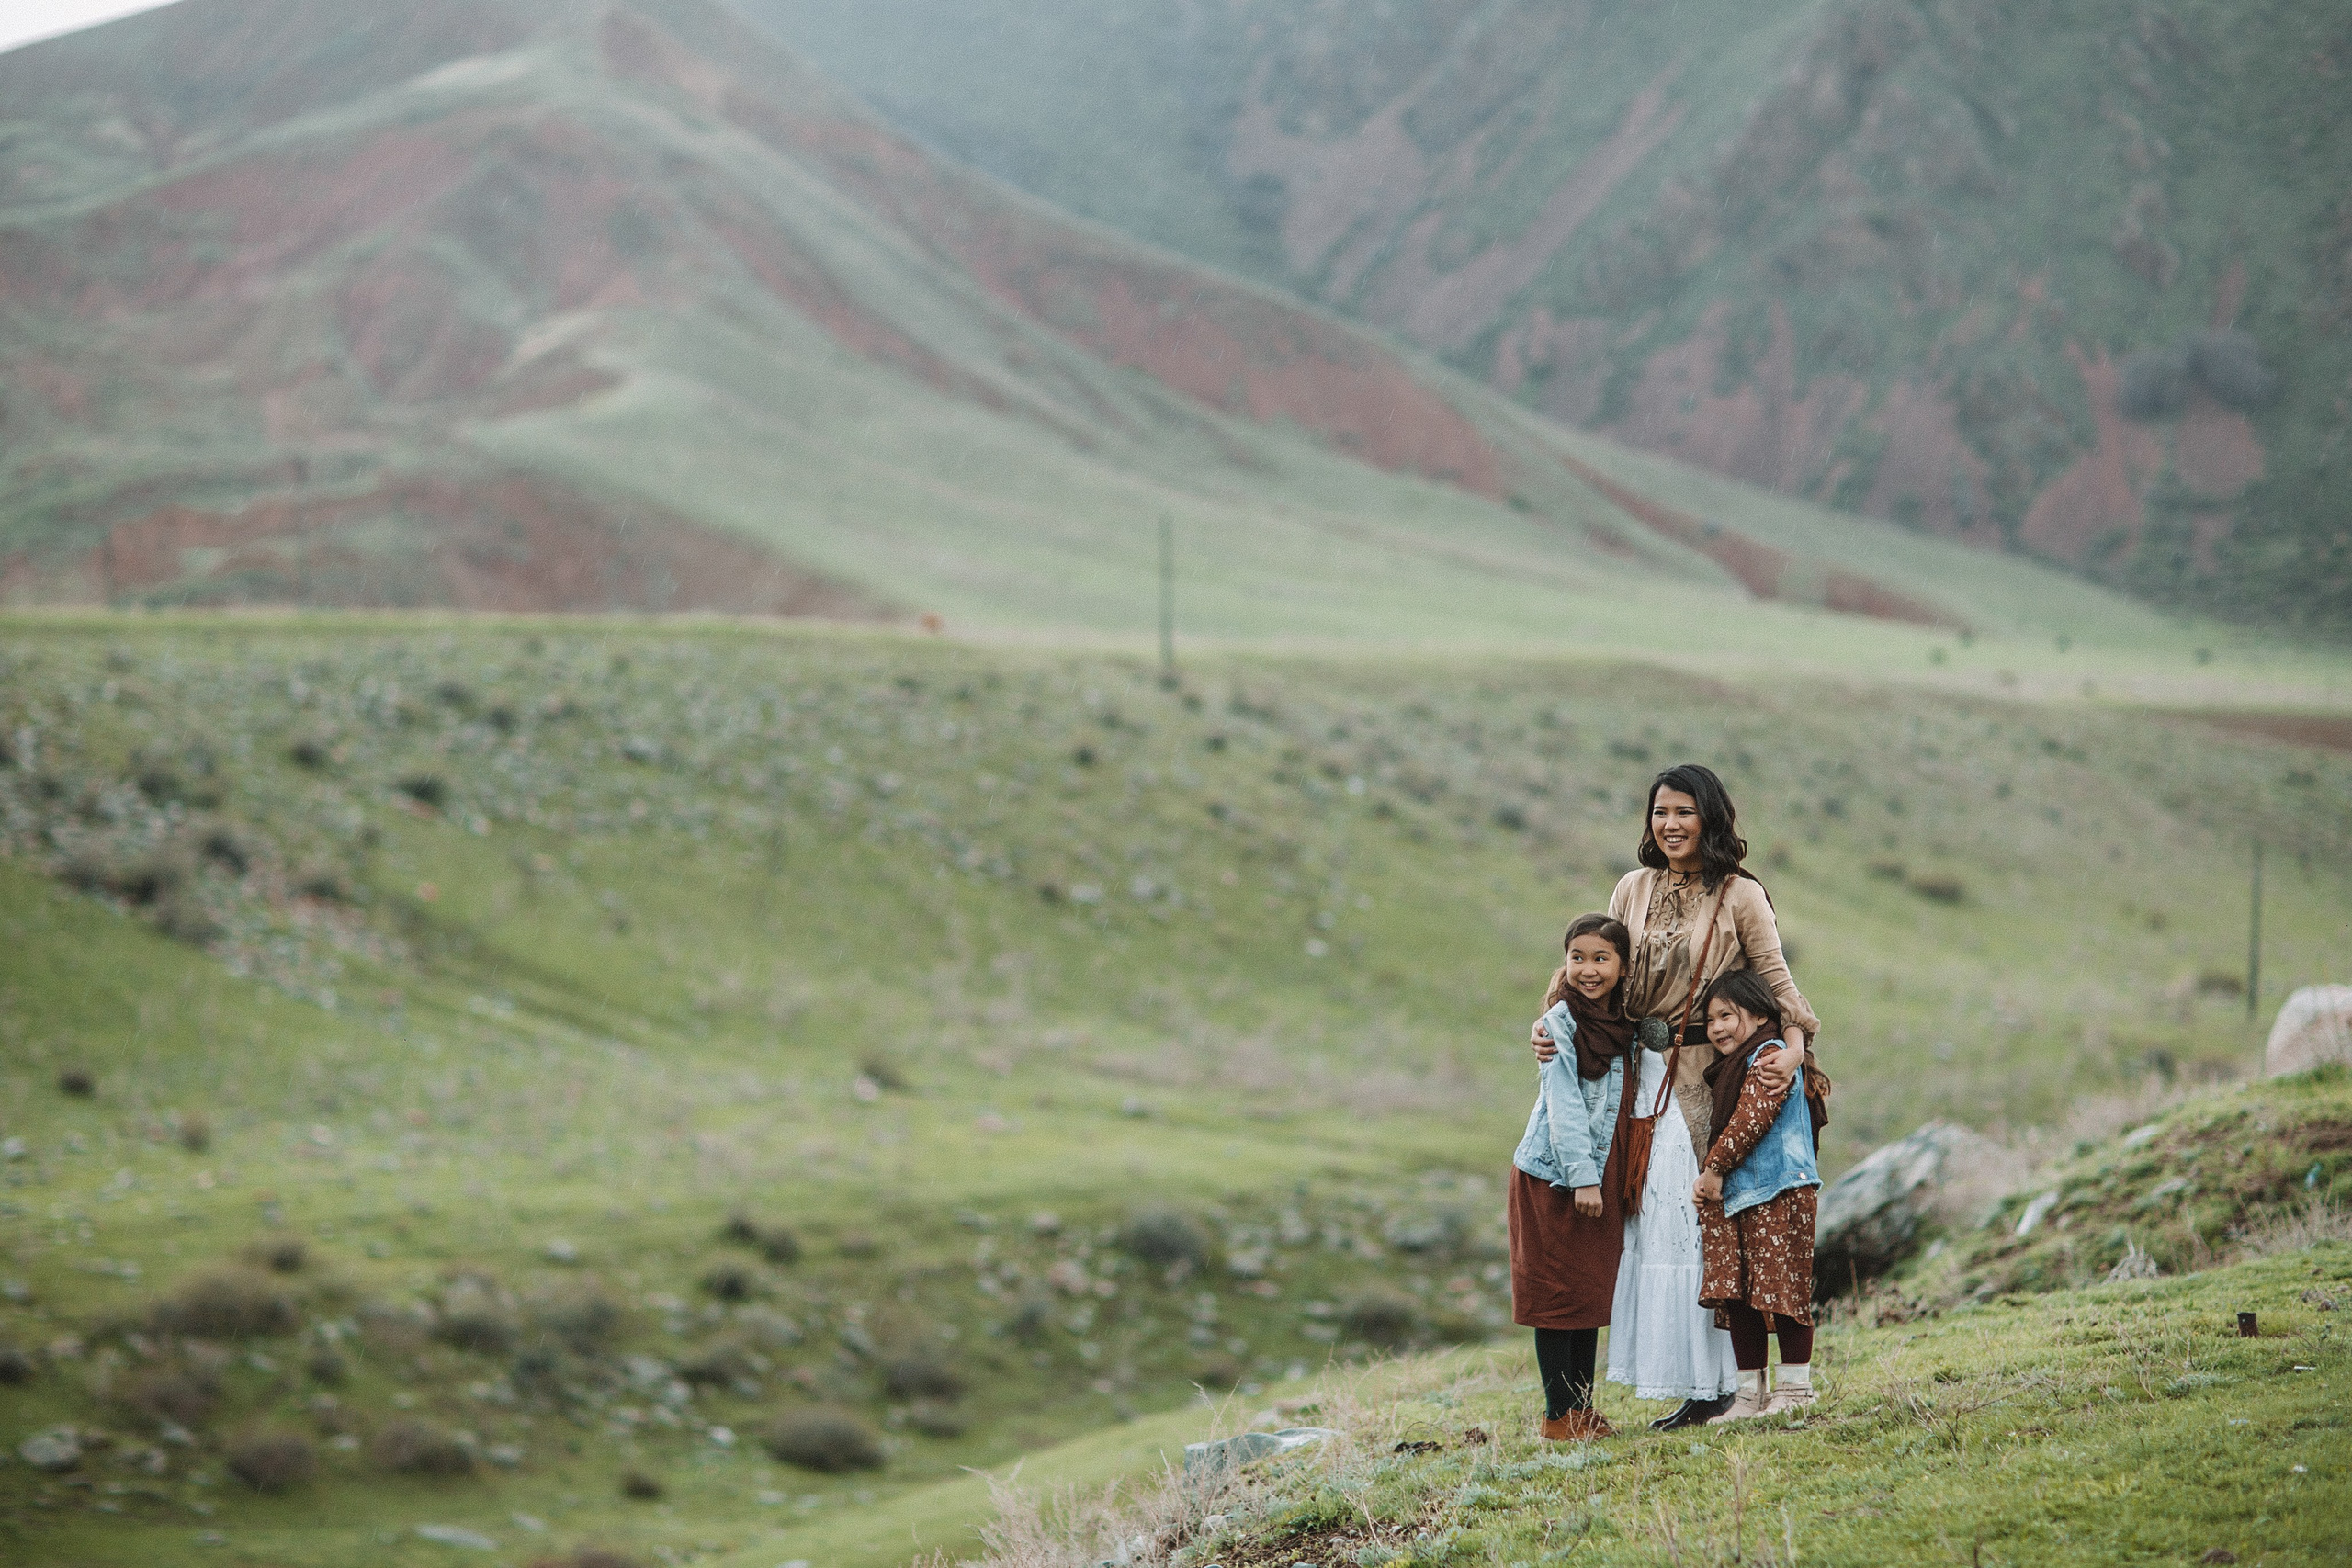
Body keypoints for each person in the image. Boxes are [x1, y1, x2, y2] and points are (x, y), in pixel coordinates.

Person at [1532, 762, 1824, 1429]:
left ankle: (1726, 1384)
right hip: (1641, 1070)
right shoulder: (1632, 886)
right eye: (1660, 811)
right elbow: (1595, 966)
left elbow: (1777, 980)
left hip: (1710, 1073)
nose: (1670, 824)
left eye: (1684, 811)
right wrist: (1550, 1018)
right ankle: (1694, 1383)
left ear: (1711, 817)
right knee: (1658, 1221)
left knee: (1704, 1223)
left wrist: (1797, 1045)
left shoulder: (1742, 895)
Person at [1508, 914, 1635, 1440]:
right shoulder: (1560, 1022)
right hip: (1556, 1178)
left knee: (1586, 1295)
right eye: (1577, 957)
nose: (1588, 969)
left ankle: (1581, 1411)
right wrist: (1583, 1178)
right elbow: (1562, 1105)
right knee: (1555, 1298)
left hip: (1597, 1175)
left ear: (1623, 967)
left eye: (1601, 958)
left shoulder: (1625, 1023)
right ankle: (1558, 1415)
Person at [1692, 970, 1823, 1422]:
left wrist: (1712, 1169)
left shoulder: (1769, 1057)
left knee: (1783, 1289)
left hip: (1779, 1190)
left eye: (1728, 1015)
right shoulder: (1728, 1068)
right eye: (1710, 1021)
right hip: (1742, 1195)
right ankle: (1749, 1396)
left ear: (1761, 1013)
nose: (1718, 1029)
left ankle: (1796, 1389)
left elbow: (1753, 1119)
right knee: (1740, 1295)